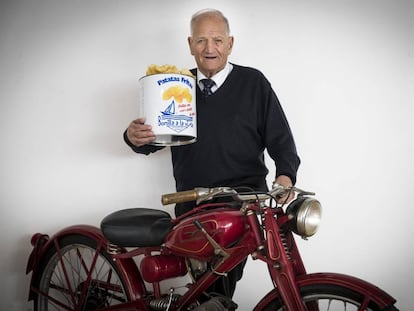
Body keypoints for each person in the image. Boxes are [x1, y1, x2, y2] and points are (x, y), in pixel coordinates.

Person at [124, 8, 300, 302]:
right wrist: (134, 137)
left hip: (242, 203)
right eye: (202, 40)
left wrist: (285, 176)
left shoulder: (253, 83)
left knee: (220, 282)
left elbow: (282, 141)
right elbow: (152, 140)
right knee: (212, 289)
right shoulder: (175, 86)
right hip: (193, 204)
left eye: (217, 40)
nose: (210, 48)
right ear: (190, 44)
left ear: (230, 43)